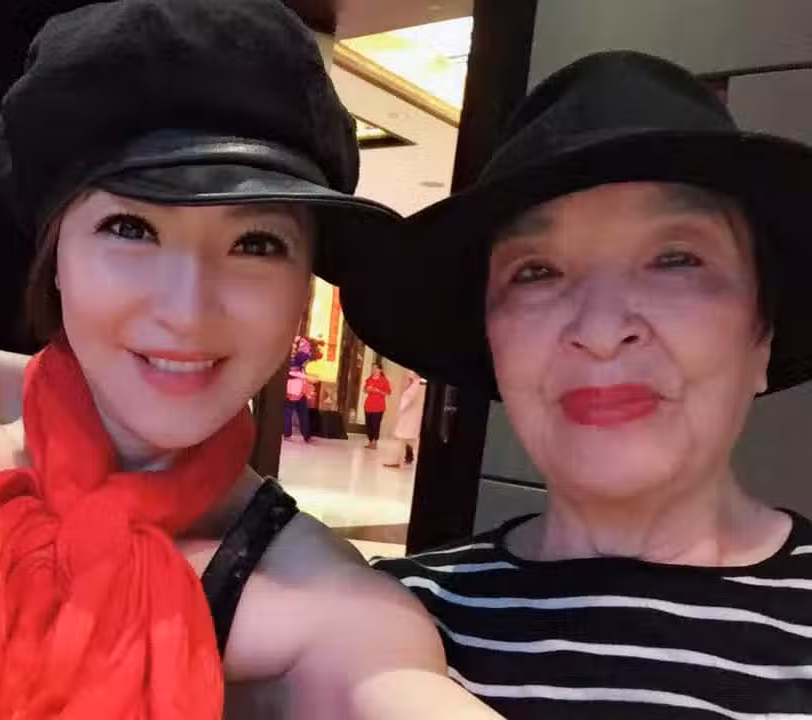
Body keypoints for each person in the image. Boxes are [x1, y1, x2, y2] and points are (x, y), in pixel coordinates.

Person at [0, 1, 501, 719]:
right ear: (56, 255)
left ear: (305, 286)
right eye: (131, 227)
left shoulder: (324, 601)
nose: (186, 310)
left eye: (257, 243)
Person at [341, 50, 812, 718]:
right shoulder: (383, 630)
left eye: (675, 258)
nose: (599, 329)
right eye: (536, 271)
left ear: (762, 334)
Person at [383, 371, 424, 468]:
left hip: (410, 418)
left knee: (408, 440)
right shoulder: (415, 385)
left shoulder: (416, 385)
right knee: (405, 440)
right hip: (408, 418)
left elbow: (407, 400)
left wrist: (400, 409)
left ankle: (398, 461)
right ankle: (397, 461)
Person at [284, 337, 313, 442]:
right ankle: (305, 434)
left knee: (290, 411)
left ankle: (289, 434)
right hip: (295, 386)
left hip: (292, 387)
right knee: (298, 411)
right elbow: (306, 354)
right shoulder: (298, 357)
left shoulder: (286, 355)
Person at [362, 364, 391, 449]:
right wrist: (367, 389)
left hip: (378, 406)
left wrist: (378, 391)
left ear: (380, 370)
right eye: (372, 368)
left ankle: (374, 442)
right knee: (368, 424)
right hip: (368, 405)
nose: (373, 370)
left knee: (375, 425)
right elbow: (364, 390)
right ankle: (370, 441)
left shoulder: (384, 380)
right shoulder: (369, 379)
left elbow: (388, 392)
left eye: (375, 368)